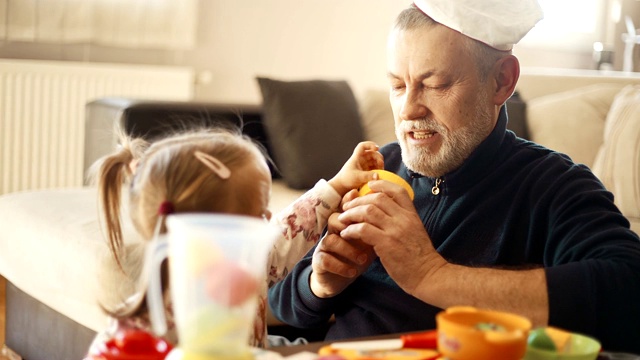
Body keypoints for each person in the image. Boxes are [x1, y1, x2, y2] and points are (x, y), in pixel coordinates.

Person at [268, 0, 640, 353]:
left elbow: (628, 293)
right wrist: (319, 284)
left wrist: (432, 274)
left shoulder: (553, 186)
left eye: (436, 84)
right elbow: (281, 301)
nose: (409, 109)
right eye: (398, 85)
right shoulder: (381, 166)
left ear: (501, 82)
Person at [84, 126, 383, 355]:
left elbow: (289, 230)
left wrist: (339, 184)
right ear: (212, 227)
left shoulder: (239, 260)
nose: (268, 216)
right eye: (256, 211)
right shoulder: (155, 317)